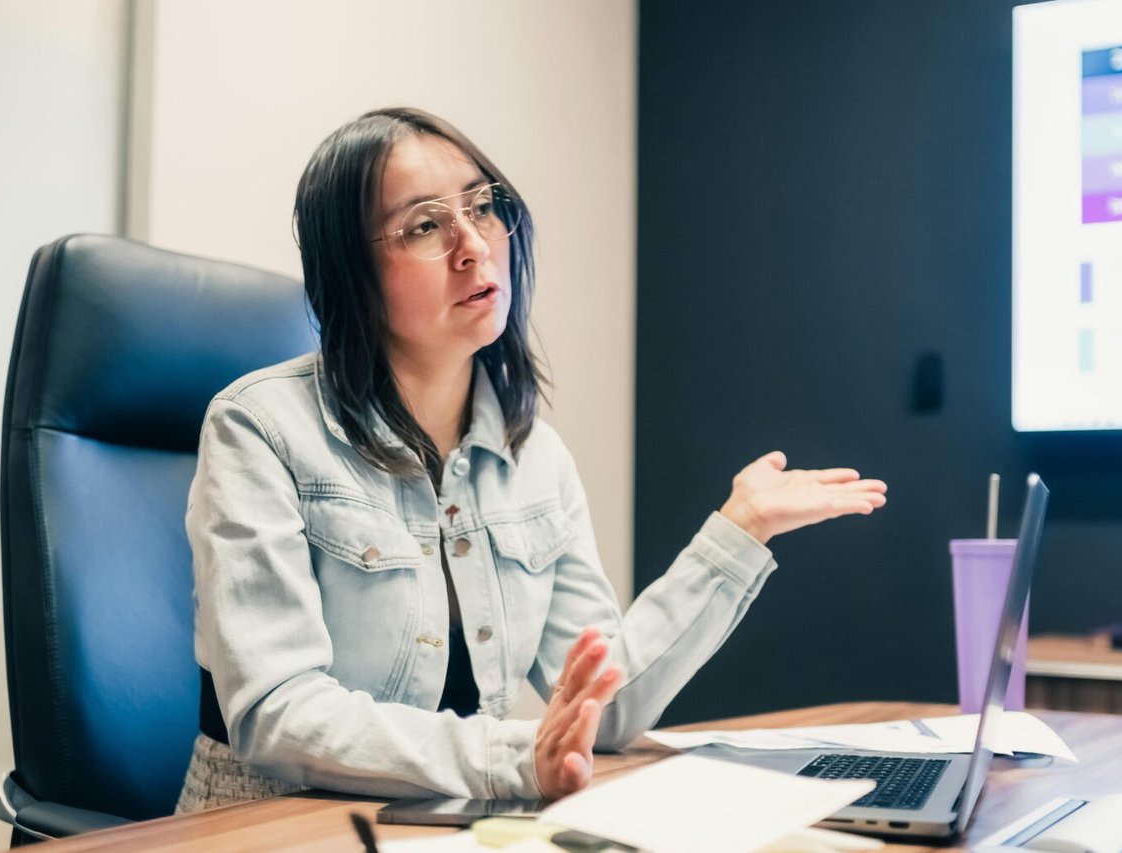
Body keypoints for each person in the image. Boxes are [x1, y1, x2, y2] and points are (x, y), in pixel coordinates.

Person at [176, 107, 888, 813]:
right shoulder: (259, 427)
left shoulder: (534, 456)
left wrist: (740, 529)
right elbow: (279, 710)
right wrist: (514, 757)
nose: (474, 245)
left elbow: (605, 709)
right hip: (265, 823)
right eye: (425, 225)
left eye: (483, 207)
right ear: (350, 272)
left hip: (441, 824)